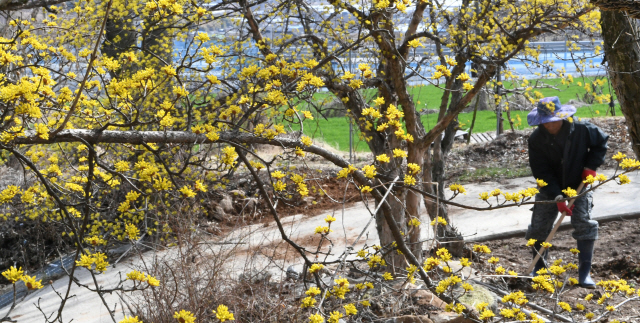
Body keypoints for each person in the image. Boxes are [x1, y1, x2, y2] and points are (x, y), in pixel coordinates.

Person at [526, 96, 609, 289]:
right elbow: (541, 172)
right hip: (549, 188)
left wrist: (591, 165)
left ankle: (584, 274)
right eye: (545, 122)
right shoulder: (536, 140)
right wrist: (557, 196)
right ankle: (539, 270)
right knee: (539, 226)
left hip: (578, 182)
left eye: (553, 120)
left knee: (583, 223)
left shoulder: (581, 129)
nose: (550, 125)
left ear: (561, 116)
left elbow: (600, 142)